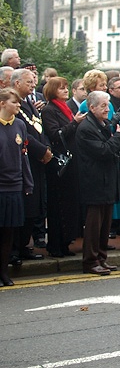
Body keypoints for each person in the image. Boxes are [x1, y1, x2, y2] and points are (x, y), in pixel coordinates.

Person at [76, 91, 120, 275]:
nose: (107, 108)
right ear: (91, 107)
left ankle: (101, 258)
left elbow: (115, 147)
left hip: (107, 180)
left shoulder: (103, 124)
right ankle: (90, 261)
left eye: (108, 104)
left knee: (105, 224)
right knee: (94, 225)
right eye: (103, 105)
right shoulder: (86, 128)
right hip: (94, 182)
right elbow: (104, 151)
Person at [40, 77, 86, 258]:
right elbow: (55, 134)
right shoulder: (49, 110)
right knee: (59, 205)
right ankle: (56, 244)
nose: (65, 91)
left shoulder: (64, 107)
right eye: (61, 88)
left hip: (72, 162)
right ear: (52, 91)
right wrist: (74, 123)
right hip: (59, 164)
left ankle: (66, 241)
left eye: (66, 88)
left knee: (69, 204)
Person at [11, 69, 52, 263]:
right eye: (28, 82)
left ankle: (24, 246)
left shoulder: (31, 103)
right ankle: (14, 249)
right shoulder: (14, 104)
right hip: (26, 161)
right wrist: (42, 151)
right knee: (24, 207)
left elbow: (39, 129)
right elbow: (23, 133)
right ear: (17, 83)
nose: (32, 85)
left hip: (38, 162)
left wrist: (47, 149)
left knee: (33, 207)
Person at [0, 88, 33, 286]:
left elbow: (24, 156)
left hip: (14, 186)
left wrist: (27, 182)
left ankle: (4, 272)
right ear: (2, 103)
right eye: (14, 102)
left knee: (8, 234)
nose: (18, 106)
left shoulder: (19, 125)